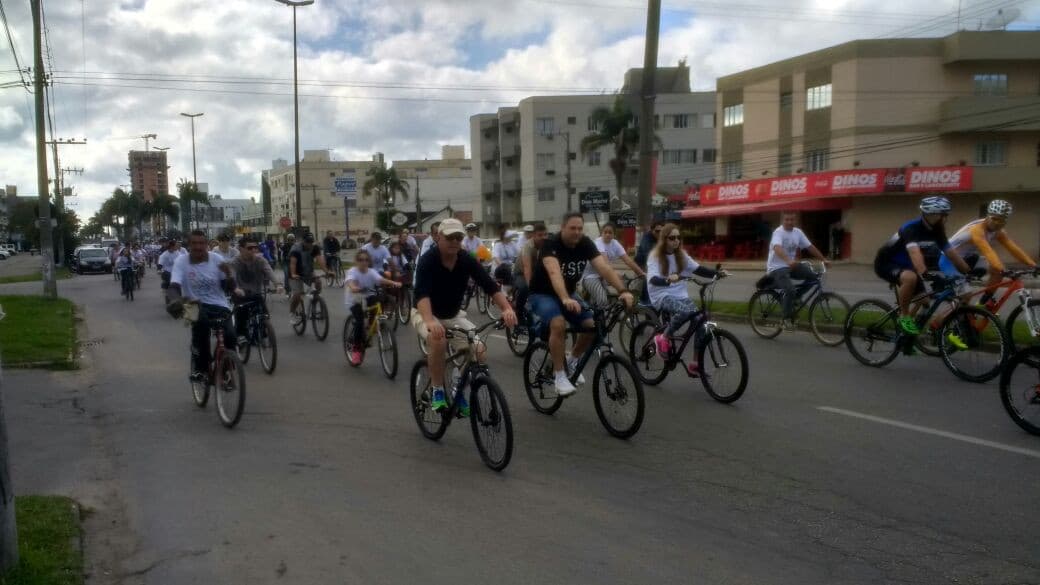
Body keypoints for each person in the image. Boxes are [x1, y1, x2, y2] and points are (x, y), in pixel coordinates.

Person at [413, 218, 516, 417]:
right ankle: (437, 391)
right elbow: (422, 295)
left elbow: (489, 286)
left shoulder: (466, 259)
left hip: (452, 314)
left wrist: (506, 308)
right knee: (438, 339)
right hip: (425, 313)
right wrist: (430, 321)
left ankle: (456, 388)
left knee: (479, 350)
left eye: (458, 238)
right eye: (450, 237)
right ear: (439, 238)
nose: (454, 241)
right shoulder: (428, 260)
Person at [528, 212, 634, 396]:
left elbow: (604, 268)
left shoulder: (585, 243)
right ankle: (559, 376)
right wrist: (565, 298)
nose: (577, 232)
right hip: (542, 294)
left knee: (593, 326)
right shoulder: (551, 245)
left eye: (580, 228)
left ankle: (572, 361)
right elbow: (554, 273)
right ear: (562, 228)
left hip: (568, 293)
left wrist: (623, 291)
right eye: (572, 228)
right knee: (558, 324)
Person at [874, 196, 972, 336]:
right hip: (886, 263)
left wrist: (968, 271)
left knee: (924, 300)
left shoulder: (937, 230)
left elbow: (951, 253)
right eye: (943, 215)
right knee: (910, 278)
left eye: (946, 215)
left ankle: (907, 336)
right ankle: (904, 316)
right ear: (930, 215)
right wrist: (925, 273)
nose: (945, 218)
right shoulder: (911, 228)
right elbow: (914, 253)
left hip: (908, 267)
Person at [647, 223, 725, 370]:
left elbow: (698, 269)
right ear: (664, 239)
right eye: (672, 238)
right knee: (684, 312)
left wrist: (717, 273)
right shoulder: (655, 256)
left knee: (701, 319)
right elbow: (652, 279)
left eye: (678, 237)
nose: (676, 240)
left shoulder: (681, 255)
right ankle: (663, 337)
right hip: (661, 294)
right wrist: (668, 279)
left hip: (680, 294)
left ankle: (695, 363)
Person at [165, 230, 238, 381]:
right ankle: (201, 367)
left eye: (201, 243)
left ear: (207, 244)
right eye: (194, 243)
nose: (198, 247)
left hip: (219, 304)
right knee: (202, 329)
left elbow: (228, 287)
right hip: (194, 304)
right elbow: (174, 286)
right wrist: (174, 300)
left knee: (230, 335)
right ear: (189, 245)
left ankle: (224, 369)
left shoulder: (217, 259)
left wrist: (230, 276)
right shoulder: (181, 261)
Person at [940, 199, 1038, 304]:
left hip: (968, 259)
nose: (997, 223)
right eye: (994, 219)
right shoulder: (976, 229)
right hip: (949, 260)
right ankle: (951, 317)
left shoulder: (998, 232)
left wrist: (1033, 265)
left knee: (997, 272)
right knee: (966, 296)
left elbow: (1013, 249)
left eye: (1001, 221)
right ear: (988, 216)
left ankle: (982, 304)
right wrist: (1001, 269)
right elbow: (987, 251)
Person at [765, 211, 829, 329]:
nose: (789, 222)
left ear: (795, 220)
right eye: (787, 220)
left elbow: (810, 247)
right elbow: (777, 248)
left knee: (813, 277)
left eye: (792, 220)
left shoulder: (798, 232)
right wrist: (788, 260)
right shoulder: (778, 233)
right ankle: (785, 320)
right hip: (777, 268)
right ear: (782, 221)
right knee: (790, 290)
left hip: (791, 266)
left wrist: (823, 259)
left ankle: (795, 298)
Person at [344, 250, 402, 365]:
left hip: (368, 295)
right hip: (355, 298)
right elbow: (350, 282)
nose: (364, 262)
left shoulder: (371, 271)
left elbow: (380, 280)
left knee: (377, 304)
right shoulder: (352, 271)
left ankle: (370, 326)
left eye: (366, 260)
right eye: (361, 260)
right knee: (359, 321)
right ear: (357, 261)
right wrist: (354, 287)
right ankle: (356, 350)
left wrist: (393, 283)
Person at [582, 223, 644, 307]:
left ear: (614, 234)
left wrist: (641, 273)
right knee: (602, 300)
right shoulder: (598, 243)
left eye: (610, 232)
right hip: (591, 276)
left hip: (604, 275)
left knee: (616, 294)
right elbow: (605, 263)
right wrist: (615, 274)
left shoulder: (615, 244)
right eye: (605, 232)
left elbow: (628, 260)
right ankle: (596, 318)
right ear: (602, 233)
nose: (607, 234)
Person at [229, 237, 276, 346]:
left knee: (265, 315)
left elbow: (269, 271)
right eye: (250, 248)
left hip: (256, 293)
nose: (253, 250)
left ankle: (262, 334)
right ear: (241, 249)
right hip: (241, 293)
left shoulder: (260, 260)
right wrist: (236, 288)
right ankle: (240, 334)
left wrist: (278, 284)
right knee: (242, 313)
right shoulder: (235, 262)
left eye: (255, 247)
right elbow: (232, 276)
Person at [288, 232, 328, 326]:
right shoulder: (296, 248)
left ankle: (315, 299)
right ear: (303, 241)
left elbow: (320, 260)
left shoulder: (314, 248)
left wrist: (327, 271)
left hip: (308, 272)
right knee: (297, 294)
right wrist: (293, 274)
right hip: (296, 273)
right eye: (307, 242)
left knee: (318, 282)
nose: (309, 244)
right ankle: (292, 313)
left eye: (311, 242)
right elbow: (293, 263)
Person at [513, 222, 548, 323]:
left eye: (545, 234)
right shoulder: (528, 246)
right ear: (533, 235)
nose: (543, 237)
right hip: (521, 273)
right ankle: (518, 314)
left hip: (537, 272)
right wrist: (531, 287)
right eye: (540, 235)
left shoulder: (547, 245)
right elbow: (527, 268)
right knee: (525, 288)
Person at [634, 221, 664, 303]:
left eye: (661, 231)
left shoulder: (663, 237)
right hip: (642, 263)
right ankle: (645, 301)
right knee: (647, 279)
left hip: (654, 262)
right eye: (657, 231)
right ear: (652, 230)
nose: (659, 233)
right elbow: (647, 254)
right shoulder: (647, 238)